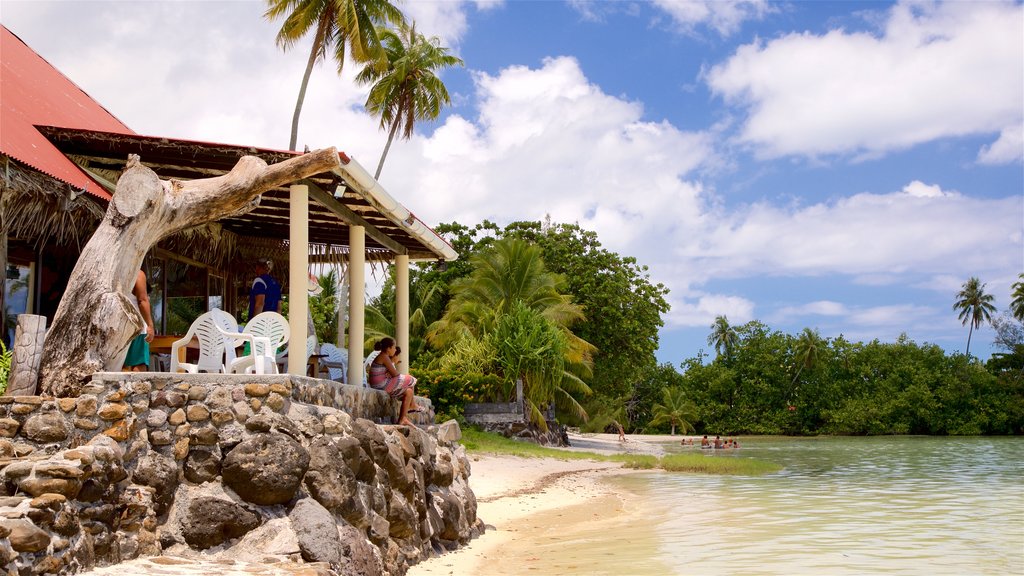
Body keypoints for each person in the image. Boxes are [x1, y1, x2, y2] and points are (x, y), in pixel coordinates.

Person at [368, 337, 418, 426]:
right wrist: (391, 374)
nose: (395, 350)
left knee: (409, 391)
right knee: (410, 379)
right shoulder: (384, 356)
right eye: (394, 347)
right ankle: (413, 405)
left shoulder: (384, 356)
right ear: (388, 349)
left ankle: (402, 419)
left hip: (381, 383)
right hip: (380, 384)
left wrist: (390, 373)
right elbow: (395, 374)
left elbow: (392, 373)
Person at [123, 269, 155, 372]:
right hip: (136, 326)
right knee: (138, 363)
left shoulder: (114, 272)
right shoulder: (137, 273)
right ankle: (138, 387)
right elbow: (142, 300)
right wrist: (150, 325)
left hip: (116, 326)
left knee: (120, 365)